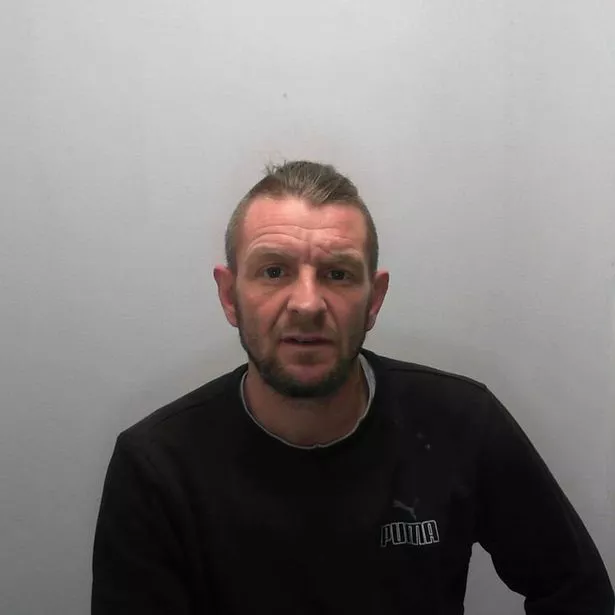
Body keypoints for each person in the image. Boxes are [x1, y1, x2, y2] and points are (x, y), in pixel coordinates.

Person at [92, 160, 614, 614]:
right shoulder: (156, 467)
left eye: (337, 274)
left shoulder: (461, 424)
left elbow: (578, 593)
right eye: (273, 271)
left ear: (374, 299)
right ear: (230, 296)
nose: (306, 304)